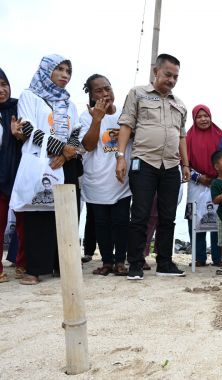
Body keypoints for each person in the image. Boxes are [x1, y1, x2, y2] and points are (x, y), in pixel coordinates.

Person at [116, 53, 190, 280]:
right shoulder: (137, 94)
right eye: (168, 74)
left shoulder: (180, 104)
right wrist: (120, 157)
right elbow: (126, 125)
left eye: (176, 77)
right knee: (140, 214)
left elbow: (181, 137)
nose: (172, 80)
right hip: (144, 162)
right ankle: (135, 264)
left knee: (168, 216)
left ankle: (165, 263)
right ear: (155, 71)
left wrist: (185, 164)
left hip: (171, 166)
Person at [14, 55, 83, 285]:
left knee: (66, 214)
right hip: (41, 162)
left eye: (68, 71)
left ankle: (62, 265)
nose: (65, 75)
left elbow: (77, 134)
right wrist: (60, 148)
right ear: (46, 70)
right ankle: (35, 269)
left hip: (67, 164)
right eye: (60, 69)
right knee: (39, 212)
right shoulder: (30, 96)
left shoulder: (69, 103)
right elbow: (27, 129)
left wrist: (65, 153)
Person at [79, 74, 131, 276]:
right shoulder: (85, 116)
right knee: (101, 224)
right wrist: (97, 119)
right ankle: (107, 261)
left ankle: (120, 262)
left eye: (107, 89)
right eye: (98, 91)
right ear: (91, 95)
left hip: (121, 181)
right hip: (95, 180)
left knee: (121, 222)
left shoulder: (125, 115)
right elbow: (89, 145)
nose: (105, 94)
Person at [185, 104, 222, 267]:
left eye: (206, 116)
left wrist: (218, 178)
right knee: (195, 217)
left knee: (218, 219)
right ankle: (199, 257)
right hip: (196, 183)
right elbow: (183, 163)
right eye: (199, 117)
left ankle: (218, 257)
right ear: (194, 119)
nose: (203, 119)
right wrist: (198, 177)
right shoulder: (188, 137)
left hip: (218, 182)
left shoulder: (220, 135)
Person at [0, 68, 24, 283]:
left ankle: (23, 264)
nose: (1, 90)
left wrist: (19, 134)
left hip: (20, 175)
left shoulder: (18, 107)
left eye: (4, 84)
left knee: (25, 223)